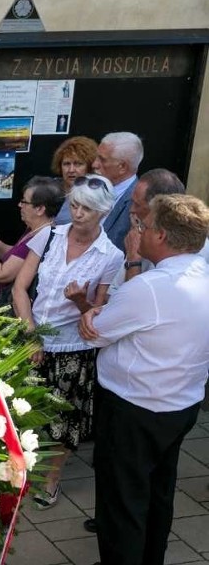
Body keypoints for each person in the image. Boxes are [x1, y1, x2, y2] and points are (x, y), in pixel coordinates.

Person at [78, 194, 209, 565]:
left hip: (134, 410)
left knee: (122, 503)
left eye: (143, 226)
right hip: (181, 405)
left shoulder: (148, 287)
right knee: (158, 494)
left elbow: (96, 333)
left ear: (163, 236)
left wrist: (94, 314)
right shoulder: (203, 275)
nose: (138, 231)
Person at [11, 174, 124, 509]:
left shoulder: (110, 256)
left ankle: (52, 478)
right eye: (74, 205)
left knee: (64, 420)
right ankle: (19, 471)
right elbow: (20, 288)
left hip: (72, 347)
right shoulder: (49, 236)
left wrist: (79, 301)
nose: (77, 214)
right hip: (33, 337)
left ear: (103, 212)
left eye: (87, 209)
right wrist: (31, 336)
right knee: (21, 410)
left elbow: (98, 315)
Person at [0, 177, 63, 308]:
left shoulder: (41, 237)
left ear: (40, 209)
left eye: (24, 202)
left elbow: (2, 274)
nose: (19, 205)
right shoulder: (33, 230)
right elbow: (16, 258)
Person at [92, 131, 144, 252]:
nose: (94, 164)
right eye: (96, 157)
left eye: (102, 160)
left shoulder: (138, 202)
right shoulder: (91, 187)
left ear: (122, 167)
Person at [50, 136, 98, 225]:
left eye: (78, 164)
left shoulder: (96, 194)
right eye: (66, 164)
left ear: (90, 166)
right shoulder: (49, 189)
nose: (71, 170)